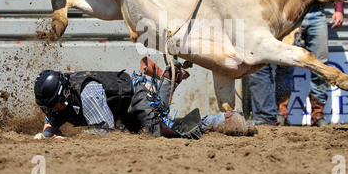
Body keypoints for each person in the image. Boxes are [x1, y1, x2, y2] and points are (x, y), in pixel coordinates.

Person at [33, 59, 248, 139]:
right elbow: (51, 121)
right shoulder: (60, 97)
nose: (53, 110)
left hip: (137, 95)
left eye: (55, 104)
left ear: (66, 94)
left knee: (160, 129)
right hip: (123, 106)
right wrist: (46, 134)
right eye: (48, 106)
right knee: (138, 130)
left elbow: (104, 132)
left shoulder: (88, 94)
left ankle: (223, 120)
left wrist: (67, 139)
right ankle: (167, 79)